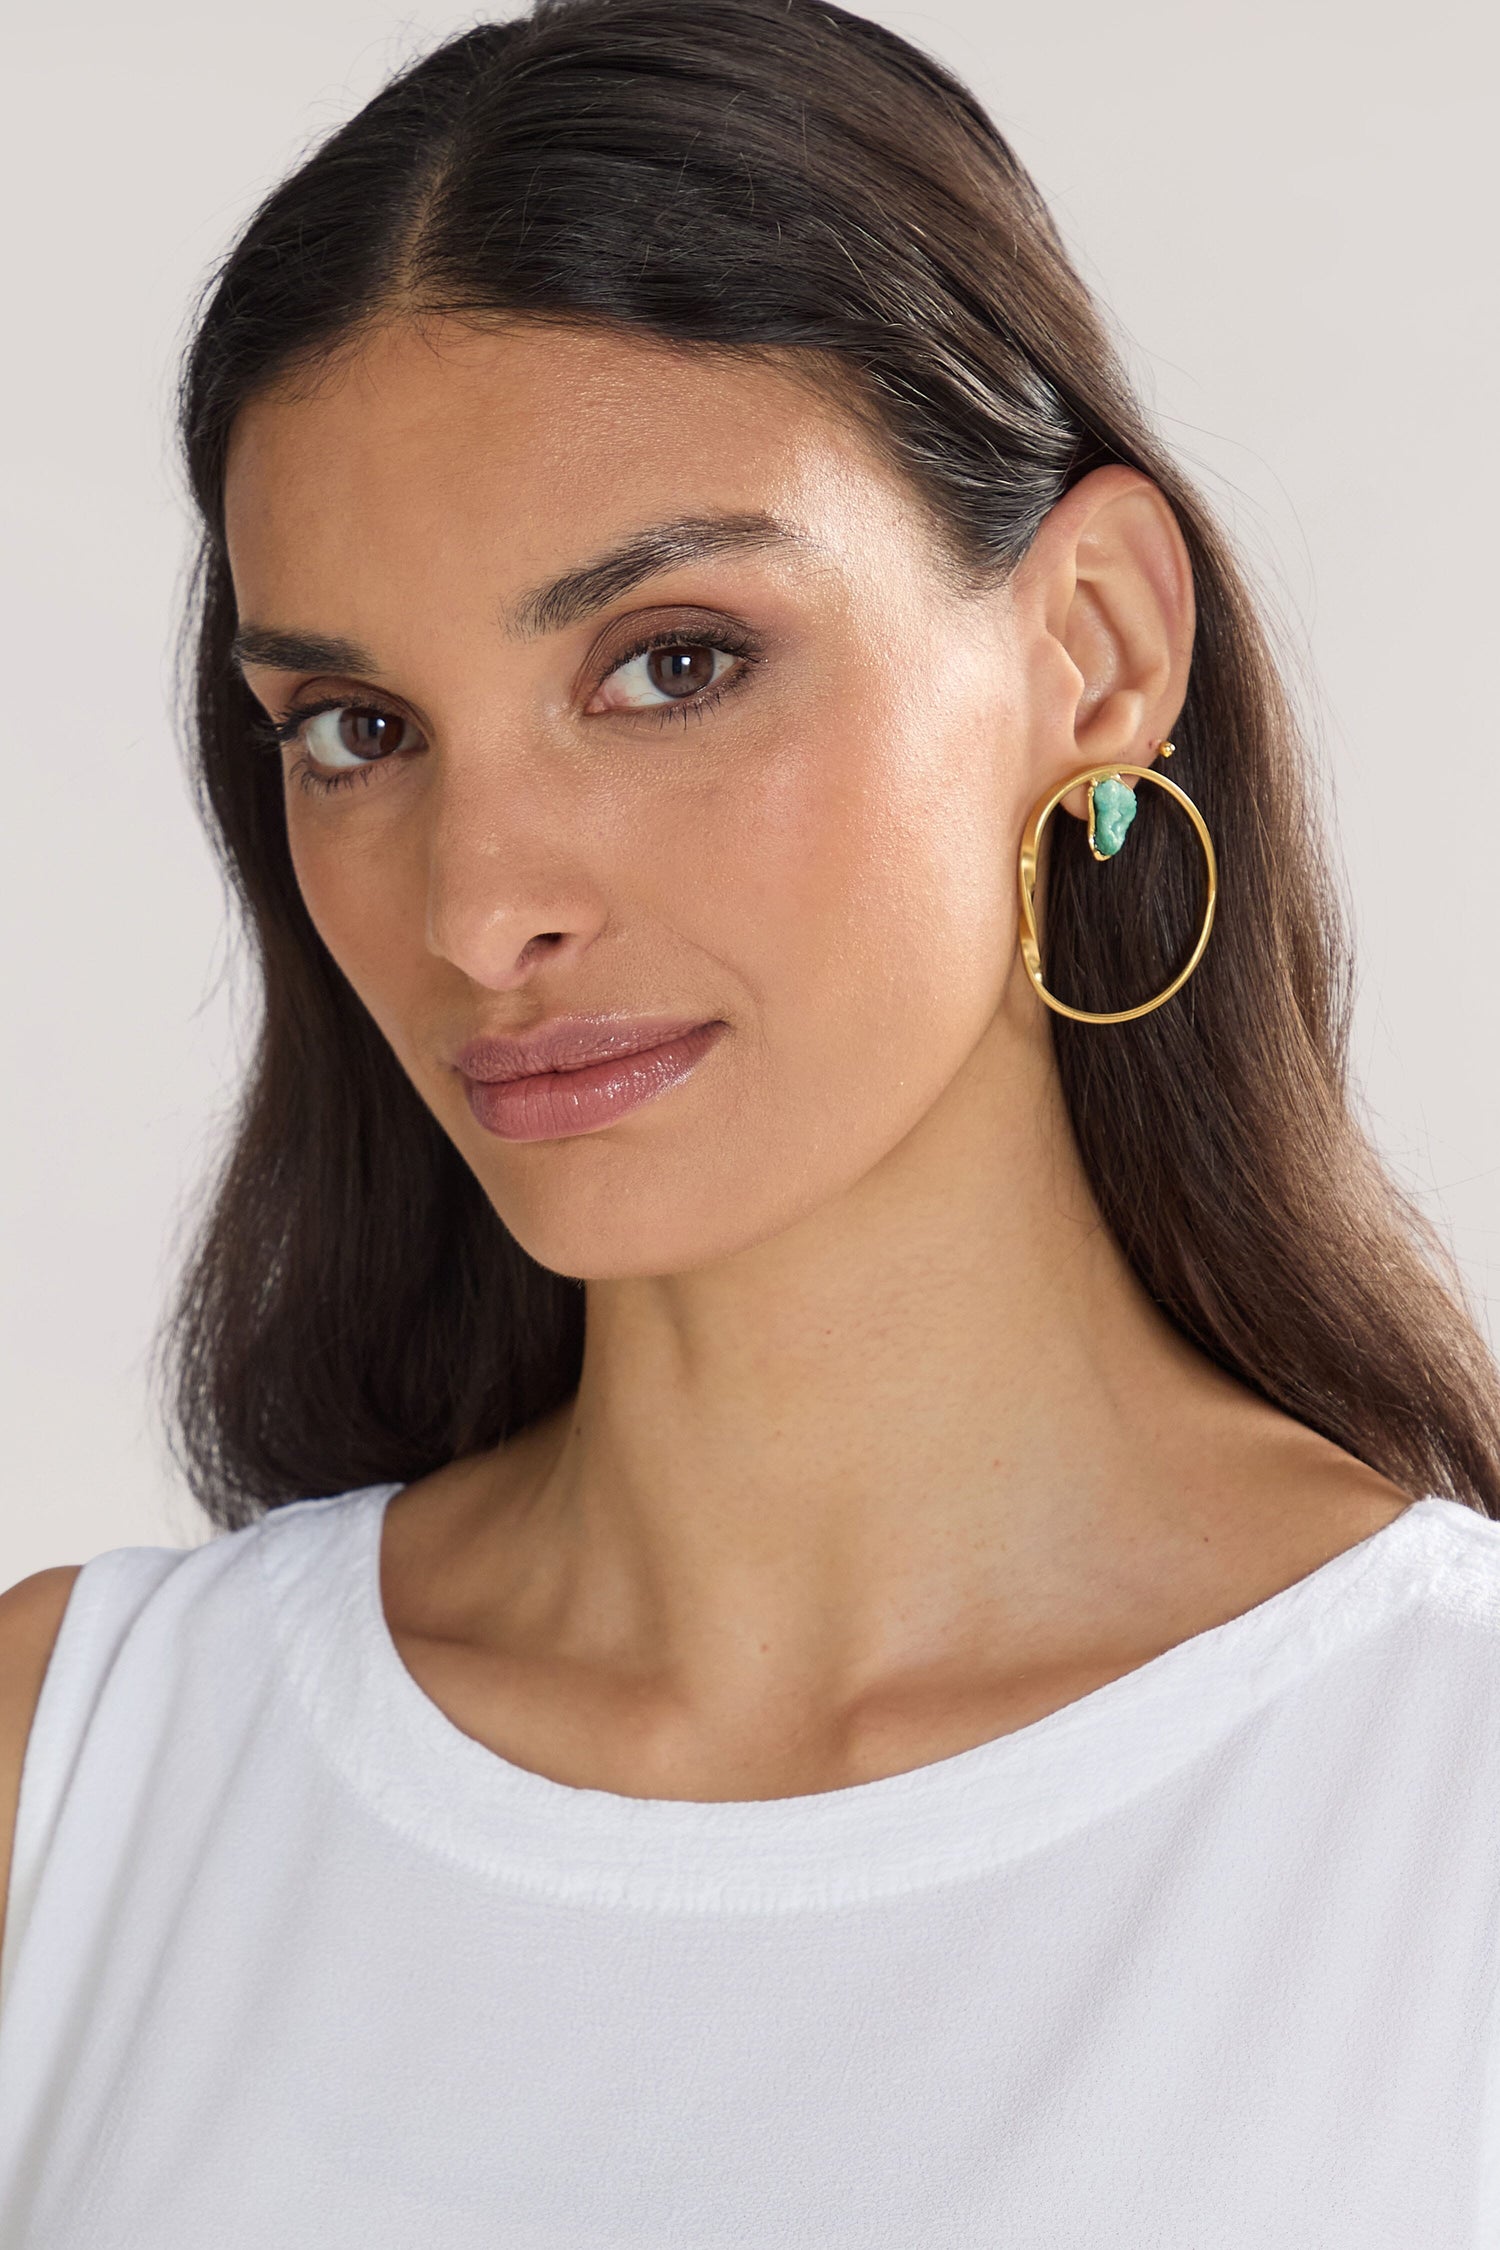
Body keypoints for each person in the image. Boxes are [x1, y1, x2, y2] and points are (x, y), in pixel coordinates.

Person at [3, 0, 1499, 2239]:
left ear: (1094, 648)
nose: (481, 902)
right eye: (356, 728)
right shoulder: (72, 1776)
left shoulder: (1438, 1803)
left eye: (671, 662)